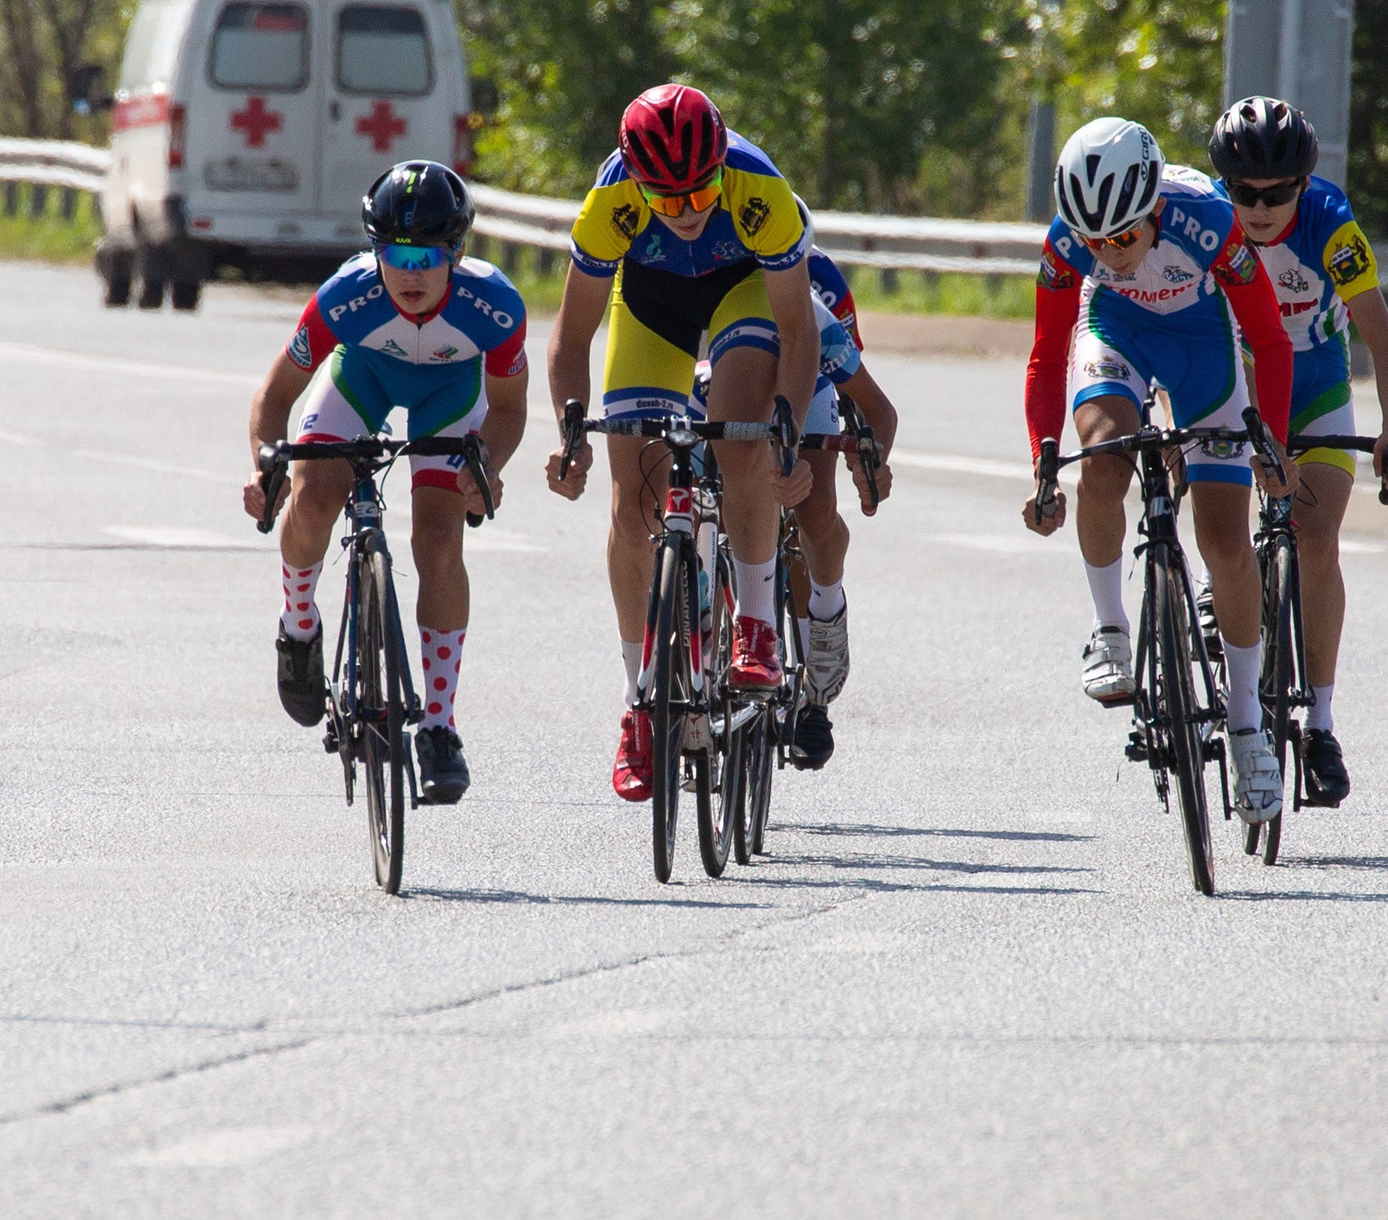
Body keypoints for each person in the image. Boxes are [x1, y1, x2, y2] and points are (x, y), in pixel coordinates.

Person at [543, 84, 821, 804]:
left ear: (721, 168)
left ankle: (755, 622)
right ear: (639, 183)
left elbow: (797, 332)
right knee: (631, 500)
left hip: (742, 294)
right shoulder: (611, 202)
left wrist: (785, 429)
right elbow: (572, 337)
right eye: (668, 201)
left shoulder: (760, 188)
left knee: (738, 438)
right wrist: (571, 430)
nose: (691, 211)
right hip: (652, 305)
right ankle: (639, 702)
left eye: (701, 192)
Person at [1021, 115, 1301, 824]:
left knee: (1226, 542)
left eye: (1122, 238)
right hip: (1117, 333)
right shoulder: (1067, 246)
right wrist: (1043, 462)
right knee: (1105, 461)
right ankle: (1110, 629)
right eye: (1093, 241)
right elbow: (1048, 355)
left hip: (1205, 347)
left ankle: (1244, 726)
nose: (1108, 253)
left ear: (1151, 211)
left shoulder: (1208, 221)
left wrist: (1270, 442)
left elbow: (1268, 341)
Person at [240, 160, 528, 804]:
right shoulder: (347, 295)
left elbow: (508, 410)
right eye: (396, 253)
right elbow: (274, 395)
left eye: (428, 253)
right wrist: (265, 461)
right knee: (314, 498)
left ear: (456, 251)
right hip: (361, 381)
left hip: (450, 397)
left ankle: (439, 727)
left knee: (438, 540)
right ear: (376, 250)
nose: (412, 271)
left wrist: (490, 468)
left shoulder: (496, 307)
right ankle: (299, 624)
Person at [1205, 96, 1388, 807]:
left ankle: (1320, 726)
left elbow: (1383, 342)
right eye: (1244, 194)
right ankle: (1223, 587)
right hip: (1234, 375)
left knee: (1316, 535)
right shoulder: (1206, 224)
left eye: (1277, 194)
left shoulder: (1330, 225)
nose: (1260, 209)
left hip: (1316, 378)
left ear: (1303, 185)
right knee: (1213, 504)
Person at [780, 245, 897, 768]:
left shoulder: (821, 282)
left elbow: (856, 388)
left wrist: (867, 458)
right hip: (723, 372)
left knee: (812, 507)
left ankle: (817, 655)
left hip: (814, 383)